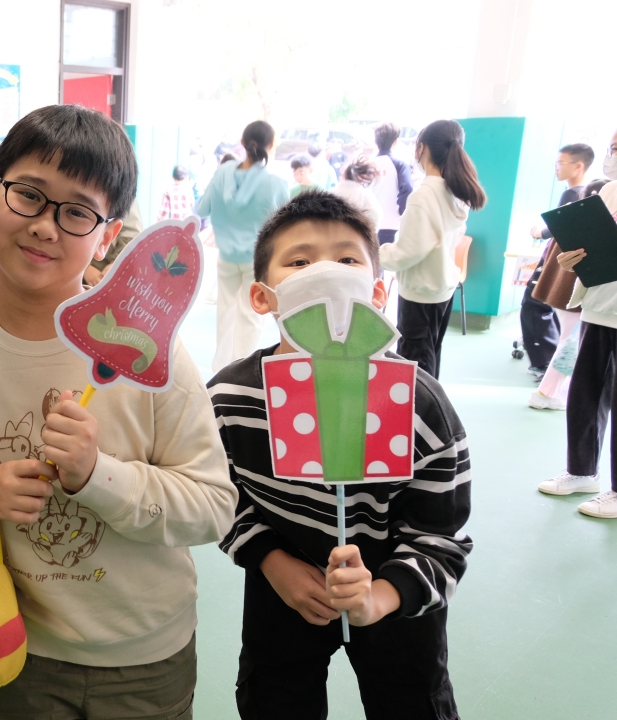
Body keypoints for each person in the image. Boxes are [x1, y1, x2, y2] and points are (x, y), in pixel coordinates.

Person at [0, 104, 237, 720]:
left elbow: (214, 506)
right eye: (29, 195)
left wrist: (97, 476)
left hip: (144, 656)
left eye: (78, 212)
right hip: (16, 648)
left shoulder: (151, 357)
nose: (44, 226)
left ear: (107, 236)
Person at [210, 191, 472, 720]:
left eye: (347, 259)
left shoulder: (419, 405)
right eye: (300, 261)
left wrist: (381, 596)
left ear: (377, 292)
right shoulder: (230, 399)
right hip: (283, 583)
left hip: (395, 592)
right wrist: (272, 562)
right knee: (275, 698)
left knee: (411, 701)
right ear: (262, 297)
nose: (325, 272)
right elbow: (216, 495)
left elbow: (442, 537)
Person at [538, 130, 617, 519]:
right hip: (599, 306)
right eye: (612, 147)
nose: (612, 155)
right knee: (585, 393)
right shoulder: (608, 192)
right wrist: (571, 260)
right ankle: (582, 471)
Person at [380, 119, 487, 380]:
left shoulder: (424, 195)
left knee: (415, 368)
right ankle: (429, 404)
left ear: (422, 148)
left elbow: (407, 253)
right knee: (430, 357)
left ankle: (422, 407)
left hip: (421, 291)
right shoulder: (455, 191)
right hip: (441, 288)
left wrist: (375, 253)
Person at [195, 120, 290, 372]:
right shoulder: (276, 184)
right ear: (271, 145)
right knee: (250, 315)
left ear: (242, 142)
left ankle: (219, 369)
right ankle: (241, 369)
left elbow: (201, 209)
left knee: (224, 311)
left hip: (226, 256)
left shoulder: (221, 175)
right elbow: (286, 223)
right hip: (257, 259)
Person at [525, 143, 594, 404]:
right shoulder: (582, 195)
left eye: (561, 163)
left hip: (563, 272)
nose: (557, 168)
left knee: (566, 335)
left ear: (578, 166)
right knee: (568, 335)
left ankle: (547, 384)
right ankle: (548, 387)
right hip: (568, 274)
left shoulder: (574, 195)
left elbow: (557, 228)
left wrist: (539, 232)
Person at [369, 123, 415, 245]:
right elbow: (407, 188)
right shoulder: (400, 165)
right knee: (384, 255)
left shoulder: (366, 164)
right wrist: (401, 211)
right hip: (389, 221)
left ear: (376, 142)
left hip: (367, 221)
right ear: (395, 141)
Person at [332, 157, 381, 231]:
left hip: (334, 233)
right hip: (358, 234)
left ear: (343, 175)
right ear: (361, 179)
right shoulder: (365, 194)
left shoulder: (332, 193)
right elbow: (376, 216)